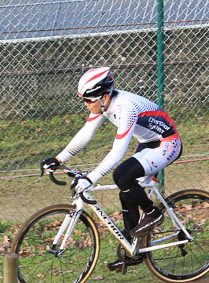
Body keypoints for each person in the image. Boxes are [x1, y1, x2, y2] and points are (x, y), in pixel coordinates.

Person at [40, 66, 182, 271]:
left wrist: (90, 178)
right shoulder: (105, 105)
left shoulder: (126, 108)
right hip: (149, 142)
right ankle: (133, 252)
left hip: (167, 143)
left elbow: (117, 152)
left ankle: (153, 214)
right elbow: (86, 134)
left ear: (104, 97)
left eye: (89, 100)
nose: (86, 104)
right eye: (84, 100)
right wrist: (58, 158)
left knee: (122, 175)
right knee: (126, 193)